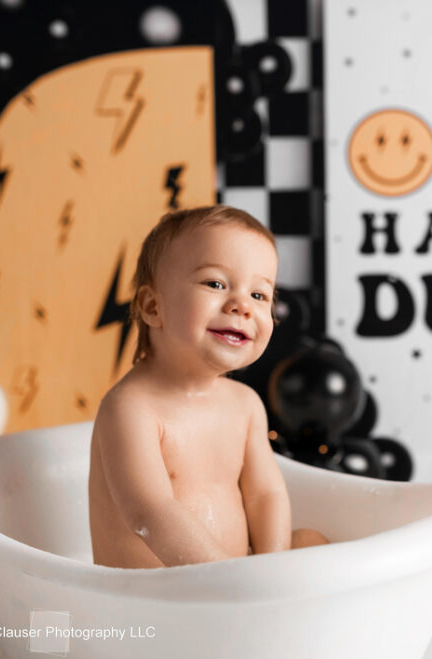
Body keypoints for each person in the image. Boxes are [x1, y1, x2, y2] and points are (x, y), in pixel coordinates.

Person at [89, 205, 328, 568]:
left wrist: (270, 568)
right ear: (153, 307)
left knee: (312, 541)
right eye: (215, 284)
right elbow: (151, 514)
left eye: (260, 295)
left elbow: (265, 495)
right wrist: (226, 582)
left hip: (233, 582)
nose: (242, 306)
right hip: (156, 591)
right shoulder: (131, 408)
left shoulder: (245, 404)